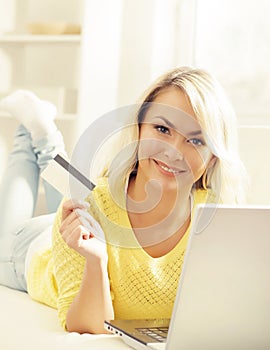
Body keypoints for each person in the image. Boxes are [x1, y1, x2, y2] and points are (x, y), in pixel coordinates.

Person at [0, 67, 248, 334]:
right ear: (138, 129)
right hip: (28, 251)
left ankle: (44, 137)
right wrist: (96, 261)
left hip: (87, 215)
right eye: (163, 129)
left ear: (213, 156)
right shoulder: (92, 207)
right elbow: (89, 327)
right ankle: (33, 133)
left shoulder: (218, 221)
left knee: (77, 198)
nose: (173, 151)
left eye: (196, 140)